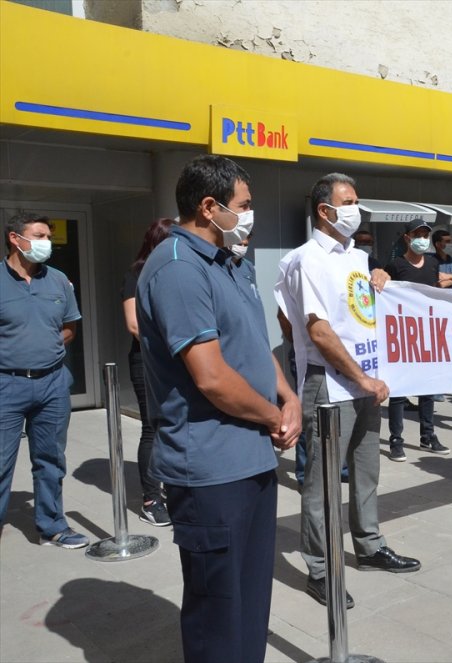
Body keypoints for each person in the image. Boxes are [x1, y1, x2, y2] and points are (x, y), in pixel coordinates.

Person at [137, 155, 301, 662]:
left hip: (250, 459)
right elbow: (211, 377)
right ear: (209, 207)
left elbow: (251, 343)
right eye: (244, 205)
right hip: (210, 471)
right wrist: (275, 417)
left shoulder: (231, 262)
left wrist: (287, 395)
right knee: (218, 611)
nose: (251, 215)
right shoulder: (178, 269)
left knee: (250, 603)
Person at [276, 172, 420, 610]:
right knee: (321, 485)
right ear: (325, 210)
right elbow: (314, 329)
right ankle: (321, 570)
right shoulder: (305, 260)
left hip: (364, 380)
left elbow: (361, 313)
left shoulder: (357, 258)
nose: (356, 209)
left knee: (365, 469)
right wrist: (357, 376)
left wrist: (379, 280)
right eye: (349, 201)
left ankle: (370, 545)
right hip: (331, 384)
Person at [0, 212, 87, 549]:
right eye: (38, 236)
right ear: (14, 238)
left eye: (47, 236)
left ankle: (52, 526)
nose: (45, 243)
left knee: (50, 460)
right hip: (6, 384)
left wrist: (43, 349)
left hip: (52, 383)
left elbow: (69, 328)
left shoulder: (59, 281)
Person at [120, 217, 174, 526]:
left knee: (175, 424)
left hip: (176, 361)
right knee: (152, 428)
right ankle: (152, 498)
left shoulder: (177, 271)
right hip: (148, 360)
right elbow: (133, 324)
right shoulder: (137, 273)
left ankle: (175, 488)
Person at [385, 218, 450, 460]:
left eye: (425, 234)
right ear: (407, 238)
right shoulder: (395, 265)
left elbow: (433, 292)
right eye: (417, 234)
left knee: (427, 389)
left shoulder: (432, 263)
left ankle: (428, 436)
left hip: (428, 334)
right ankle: (396, 440)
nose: (422, 239)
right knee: (398, 391)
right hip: (402, 335)